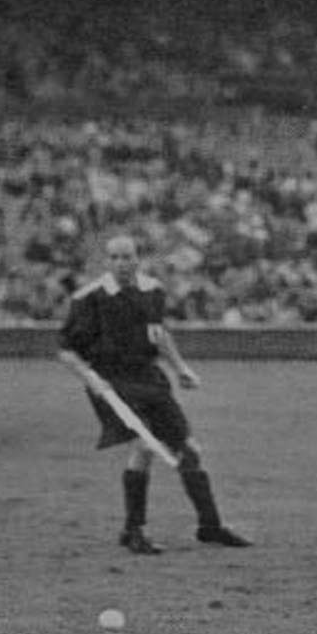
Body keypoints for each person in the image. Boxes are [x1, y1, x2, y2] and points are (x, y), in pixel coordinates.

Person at [56, 234, 251, 554]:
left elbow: (158, 334)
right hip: (112, 382)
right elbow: (65, 351)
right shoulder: (88, 298)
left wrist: (180, 368)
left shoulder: (152, 291)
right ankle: (134, 530)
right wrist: (92, 380)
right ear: (107, 262)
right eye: (115, 258)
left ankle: (210, 526)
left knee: (189, 449)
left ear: (138, 259)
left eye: (127, 257)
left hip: (150, 378)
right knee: (145, 446)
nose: (121, 263)